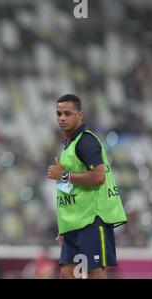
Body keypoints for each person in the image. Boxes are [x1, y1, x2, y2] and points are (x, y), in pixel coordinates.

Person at [47, 94, 127, 279]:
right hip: (75, 222)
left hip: (92, 220)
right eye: (58, 113)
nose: (62, 118)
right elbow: (70, 188)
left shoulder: (86, 141)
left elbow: (99, 176)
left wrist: (64, 175)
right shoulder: (69, 146)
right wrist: (64, 227)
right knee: (67, 273)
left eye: (67, 113)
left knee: (93, 272)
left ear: (80, 115)